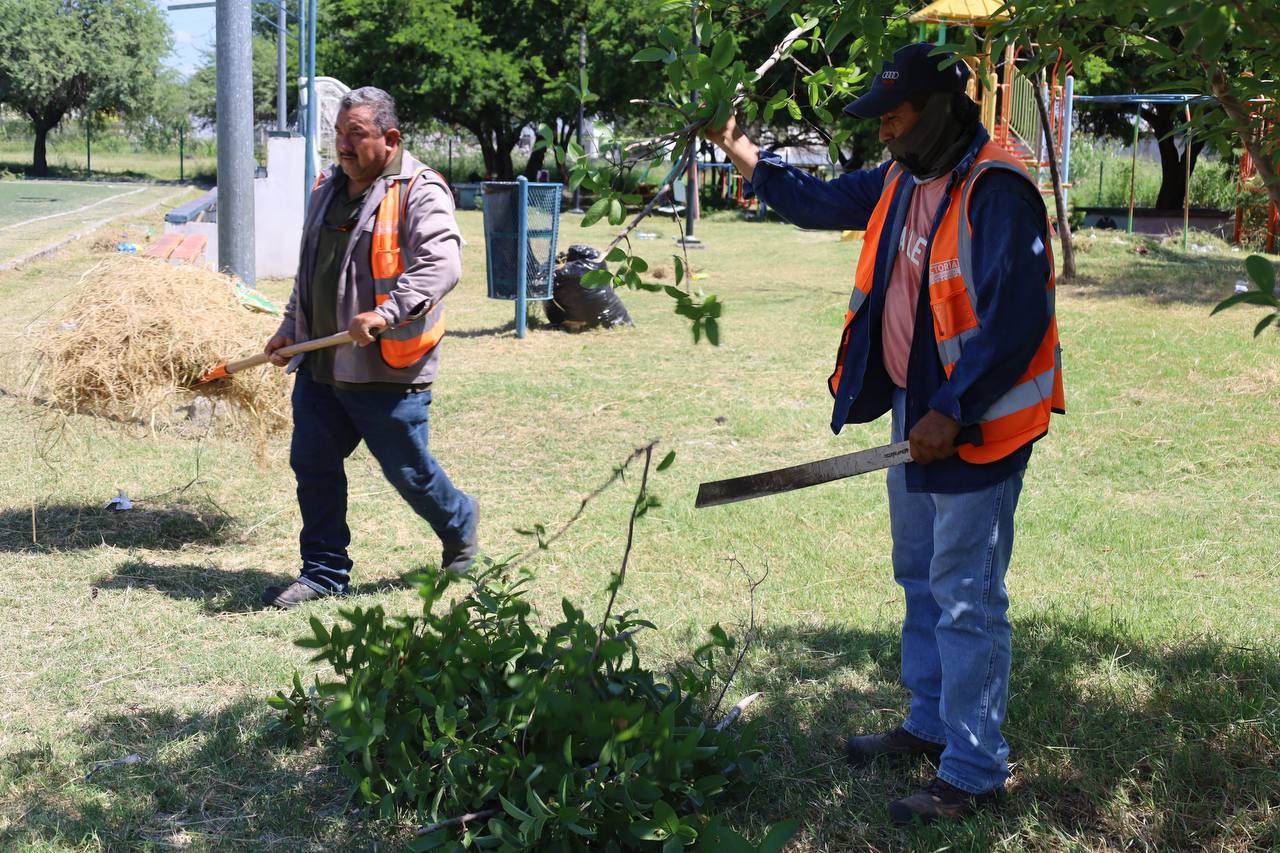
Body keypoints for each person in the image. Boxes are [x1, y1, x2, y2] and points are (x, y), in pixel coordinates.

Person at [704, 43, 1064, 824]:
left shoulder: (997, 189)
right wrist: (742, 153)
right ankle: (930, 724)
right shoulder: (904, 174)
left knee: (967, 596)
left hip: (981, 424)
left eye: (896, 115)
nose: (886, 132)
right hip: (921, 412)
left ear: (938, 108)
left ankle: (974, 767)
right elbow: (821, 202)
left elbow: (1019, 319)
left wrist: (956, 409)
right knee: (919, 573)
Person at [260, 86, 479, 609]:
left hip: (388, 367)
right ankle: (324, 573)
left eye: (355, 135)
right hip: (322, 362)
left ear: (390, 138)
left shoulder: (420, 189)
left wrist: (386, 312)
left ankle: (458, 521)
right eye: (338, 135)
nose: (342, 146)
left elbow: (442, 265)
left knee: (409, 473)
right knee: (312, 462)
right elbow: (309, 269)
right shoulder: (326, 187)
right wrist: (292, 327)